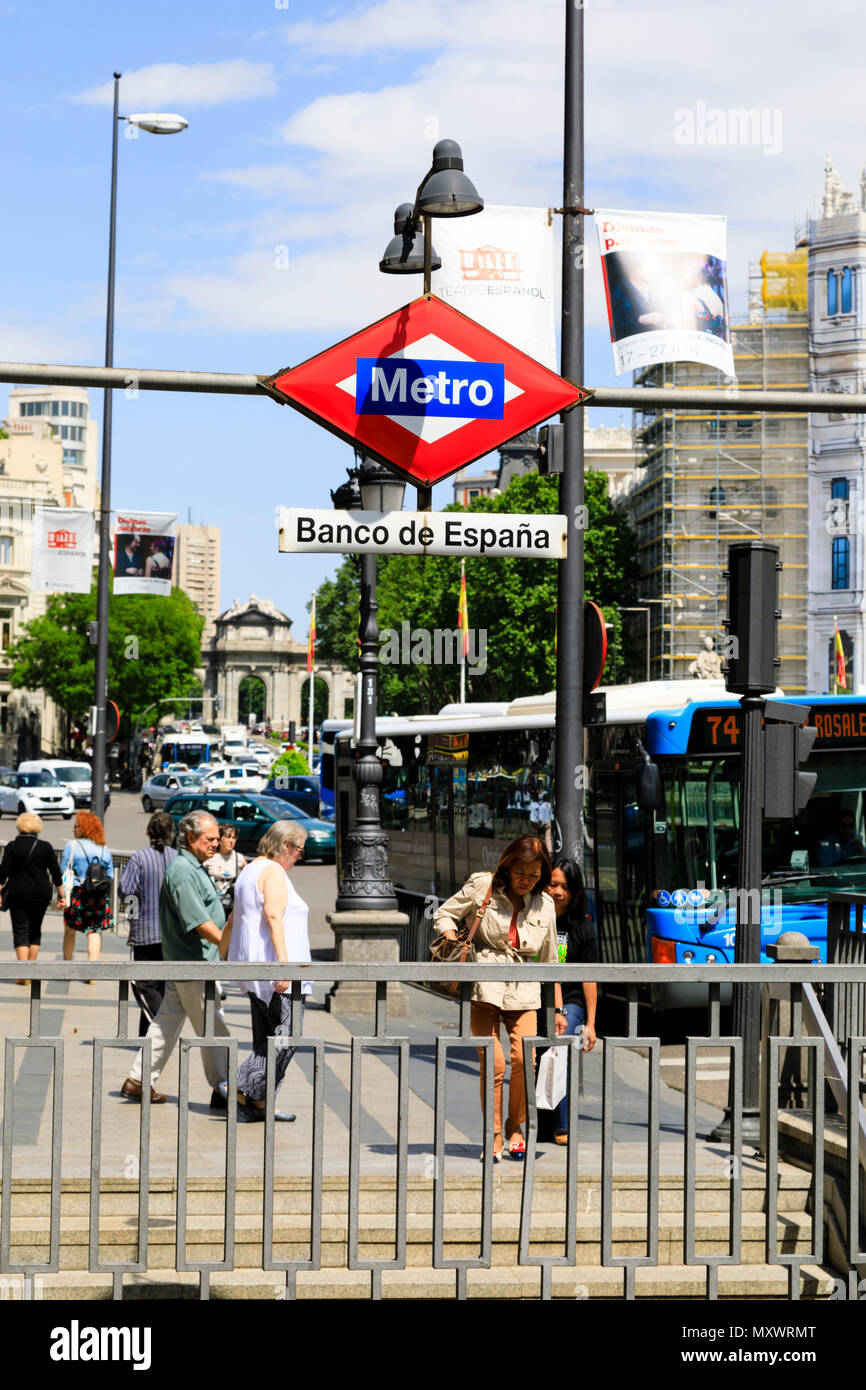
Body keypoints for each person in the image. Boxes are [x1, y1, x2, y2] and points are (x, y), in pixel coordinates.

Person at [433, 835, 566, 1162]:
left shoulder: (544, 904)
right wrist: (451, 938)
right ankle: (492, 1135)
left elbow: (550, 962)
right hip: (483, 985)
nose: (527, 881)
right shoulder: (484, 886)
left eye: (535, 875)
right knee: (492, 1062)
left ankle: (514, 1125)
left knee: (524, 1060)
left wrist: (557, 1008)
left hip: (525, 990)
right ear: (508, 865)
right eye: (521, 873)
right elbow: (444, 914)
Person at [120, 811, 230, 1106]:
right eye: (210, 839)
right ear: (191, 838)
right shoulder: (182, 869)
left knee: (166, 1021)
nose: (216, 845)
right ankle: (224, 1085)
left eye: (218, 839)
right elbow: (197, 921)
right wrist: (227, 945)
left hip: (187, 961)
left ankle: (138, 1080)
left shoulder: (191, 866)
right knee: (213, 1024)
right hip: (194, 962)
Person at [220, 821, 311, 1123]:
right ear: (285, 845)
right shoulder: (273, 872)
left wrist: (224, 954)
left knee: (266, 1039)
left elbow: (234, 918)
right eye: (299, 849)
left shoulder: (249, 870)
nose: (300, 856)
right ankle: (238, 1087)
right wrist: (282, 967)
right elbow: (273, 915)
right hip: (277, 974)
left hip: (256, 971)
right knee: (287, 1037)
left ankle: (259, 1102)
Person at [547, 858, 598, 1145]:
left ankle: (562, 1126)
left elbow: (589, 978)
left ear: (575, 890)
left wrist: (590, 1024)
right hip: (538, 998)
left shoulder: (583, 926)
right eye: (553, 884)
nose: (558, 892)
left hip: (570, 1001)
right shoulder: (536, 918)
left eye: (565, 886)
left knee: (562, 1041)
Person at [119, 811, 177, 1035]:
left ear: (148, 832)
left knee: (145, 986)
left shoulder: (139, 858)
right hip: (172, 936)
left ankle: (161, 1030)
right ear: (172, 832)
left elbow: (127, 891)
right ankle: (148, 1039)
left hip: (145, 934)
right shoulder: (177, 857)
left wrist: (134, 911)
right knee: (161, 986)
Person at [0, 813, 64, 984]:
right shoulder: (45, 847)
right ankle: (31, 969)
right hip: (41, 894)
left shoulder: (12, 847)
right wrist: (61, 895)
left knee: (20, 931)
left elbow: (2, 873)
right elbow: (56, 873)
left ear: (20, 826)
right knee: (35, 930)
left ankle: (23, 974)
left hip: (18, 894)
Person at [60, 811, 114, 979]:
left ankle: (67, 969)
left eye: (76, 826)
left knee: (70, 930)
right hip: (97, 895)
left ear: (84, 829)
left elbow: (63, 872)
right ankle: (91, 973)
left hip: (77, 893)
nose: (73, 829)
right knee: (94, 931)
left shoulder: (72, 846)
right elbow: (110, 874)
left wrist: (61, 895)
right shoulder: (103, 848)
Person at [205, 824, 247, 916]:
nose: (232, 841)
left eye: (234, 837)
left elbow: (249, 878)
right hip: (212, 904)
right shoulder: (210, 857)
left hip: (231, 906)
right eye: (228, 837)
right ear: (220, 839)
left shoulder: (238, 858)